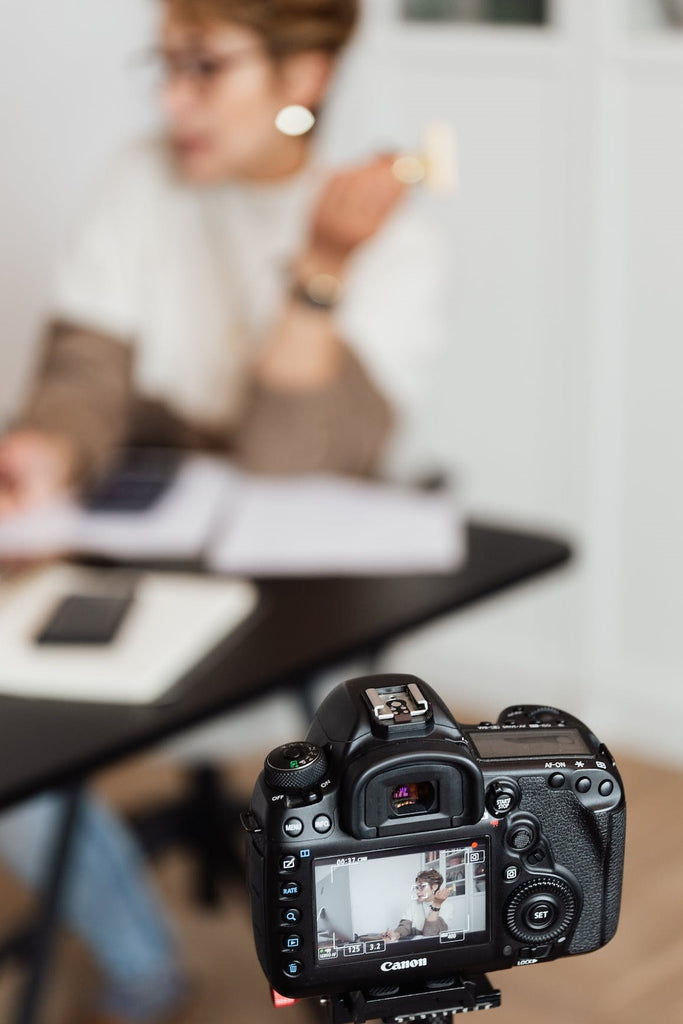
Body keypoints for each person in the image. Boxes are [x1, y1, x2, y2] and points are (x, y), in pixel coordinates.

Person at [0, 1, 445, 1021]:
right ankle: (141, 958)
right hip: (144, 536)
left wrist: (324, 264)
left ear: (305, 78)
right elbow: (84, 368)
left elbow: (283, 462)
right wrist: (48, 447)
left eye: (204, 68)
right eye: (162, 66)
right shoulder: (139, 176)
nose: (171, 100)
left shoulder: (396, 243)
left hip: (304, 577)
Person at [382, 869, 451, 941]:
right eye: (417, 888)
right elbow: (405, 926)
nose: (417, 892)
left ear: (434, 887)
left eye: (422, 887)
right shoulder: (414, 904)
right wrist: (396, 934)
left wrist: (436, 904)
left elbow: (430, 933)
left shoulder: (447, 907)